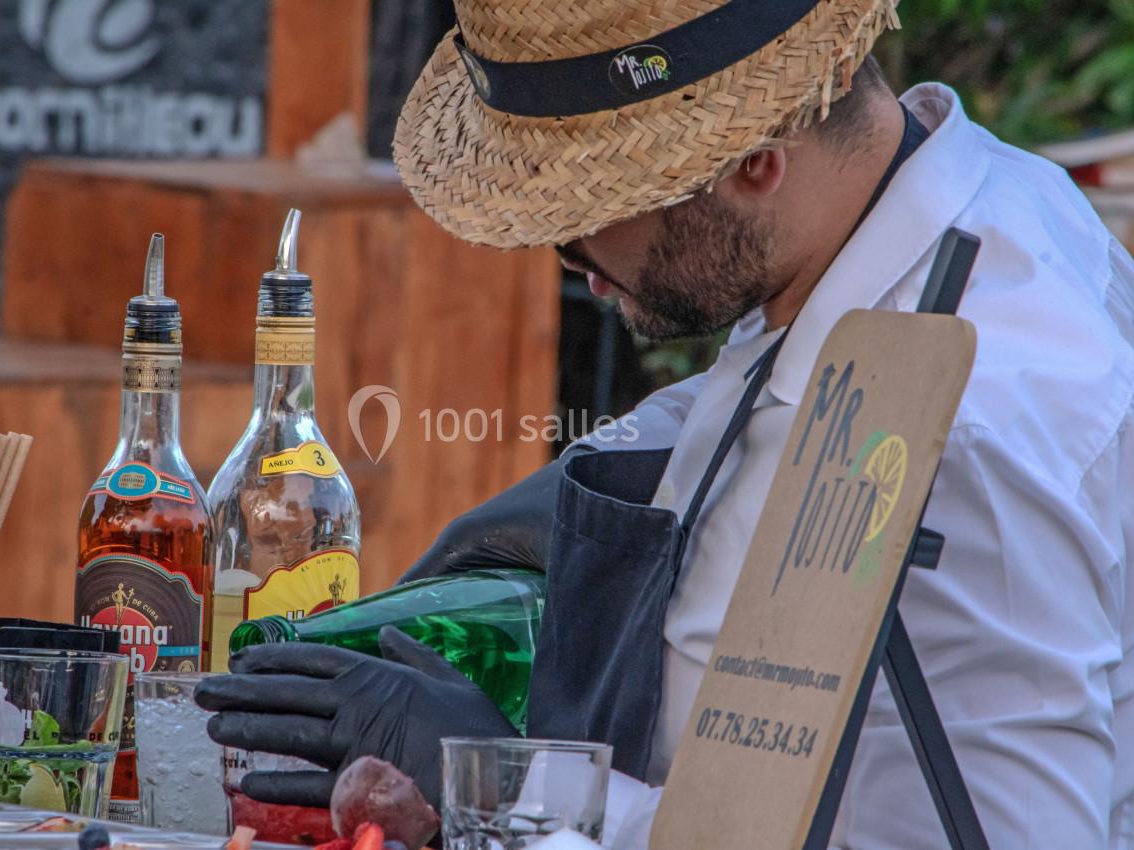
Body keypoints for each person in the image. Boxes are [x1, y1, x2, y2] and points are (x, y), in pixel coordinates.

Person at [195, 0, 1134, 846]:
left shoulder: (963, 437)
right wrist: (608, 474)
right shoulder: (948, 210)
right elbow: (782, 385)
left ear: (756, 163)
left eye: (584, 212)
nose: (566, 258)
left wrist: (506, 784)